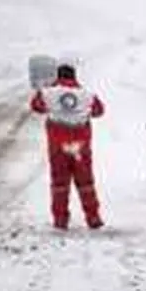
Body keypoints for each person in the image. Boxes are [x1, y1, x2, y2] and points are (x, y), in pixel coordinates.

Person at [29, 63, 105, 230]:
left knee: (59, 185)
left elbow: (35, 106)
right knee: (86, 184)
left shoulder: (48, 93)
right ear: (74, 77)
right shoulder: (87, 94)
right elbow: (99, 111)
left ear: (58, 76)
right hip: (80, 148)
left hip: (58, 147)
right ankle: (93, 217)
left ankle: (60, 219)